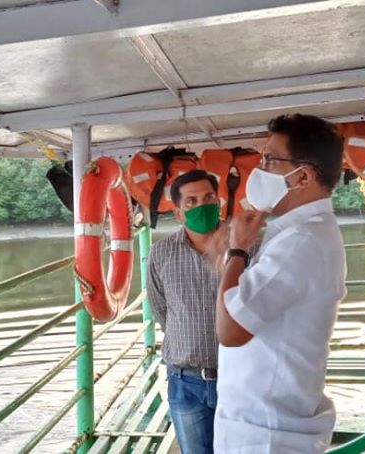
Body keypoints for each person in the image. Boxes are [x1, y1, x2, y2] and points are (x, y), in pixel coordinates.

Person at [213, 114, 347, 453]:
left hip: (266, 435)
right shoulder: (300, 234)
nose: (259, 171)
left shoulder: (300, 242)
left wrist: (237, 250)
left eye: (269, 160)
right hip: (264, 427)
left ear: (302, 176)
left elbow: (231, 330)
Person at [146, 169, 223, 454]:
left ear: (219, 201)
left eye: (208, 197)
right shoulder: (161, 253)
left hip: (239, 377)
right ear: (178, 213)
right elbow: (160, 308)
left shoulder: (247, 247)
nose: (202, 205)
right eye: (191, 201)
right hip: (185, 381)